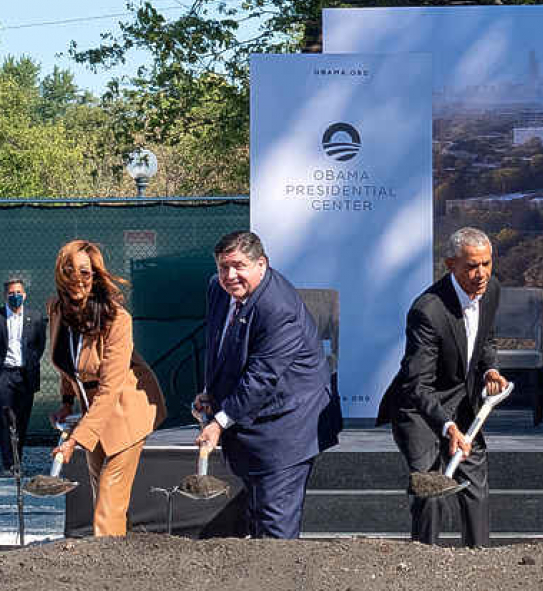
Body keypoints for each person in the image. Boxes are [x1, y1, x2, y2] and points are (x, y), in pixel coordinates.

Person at [194, 231, 340, 539]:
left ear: (262, 264)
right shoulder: (217, 289)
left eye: (239, 266)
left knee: (276, 530)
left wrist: (219, 422)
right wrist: (210, 393)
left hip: (287, 429)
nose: (230, 275)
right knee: (255, 520)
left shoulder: (278, 308)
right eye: (223, 267)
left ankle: (283, 586)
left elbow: (261, 377)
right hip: (251, 428)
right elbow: (219, 347)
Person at [382, 227, 507, 547]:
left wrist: (490, 369)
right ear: (451, 264)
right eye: (472, 266)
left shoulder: (491, 290)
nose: (481, 274)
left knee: (475, 485)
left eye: (487, 264)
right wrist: (448, 427)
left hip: (462, 401)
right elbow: (417, 384)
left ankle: (479, 559)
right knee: (431, 489)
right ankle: (425, 561)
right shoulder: (428, 311)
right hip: (418, 408)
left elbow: (485, 339)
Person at [48, 241, 167, 536]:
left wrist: (73, 441)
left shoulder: (117, 319)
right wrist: (66, 403)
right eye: (69, 270)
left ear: (96, 276)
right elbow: (69, 365)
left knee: (109, 499)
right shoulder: (57, 311)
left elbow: (110, 388)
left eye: (85, 273)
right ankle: (114, 559)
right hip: (94, 410)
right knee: (100, 492)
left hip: (127, 407)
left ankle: (107, 573)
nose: (78, 279)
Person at [1, 278, 46, 471]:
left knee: (22, 419)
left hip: (26, 375)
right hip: (4, 375)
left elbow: (39, 345)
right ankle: (9, 462)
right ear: (5, 296)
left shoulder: (35, 317)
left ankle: (17, 457)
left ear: (25, 294)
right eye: (11, 293)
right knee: (4, 419)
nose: (15, 296)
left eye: (18, 292)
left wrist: (30, 363)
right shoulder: (1, 316)